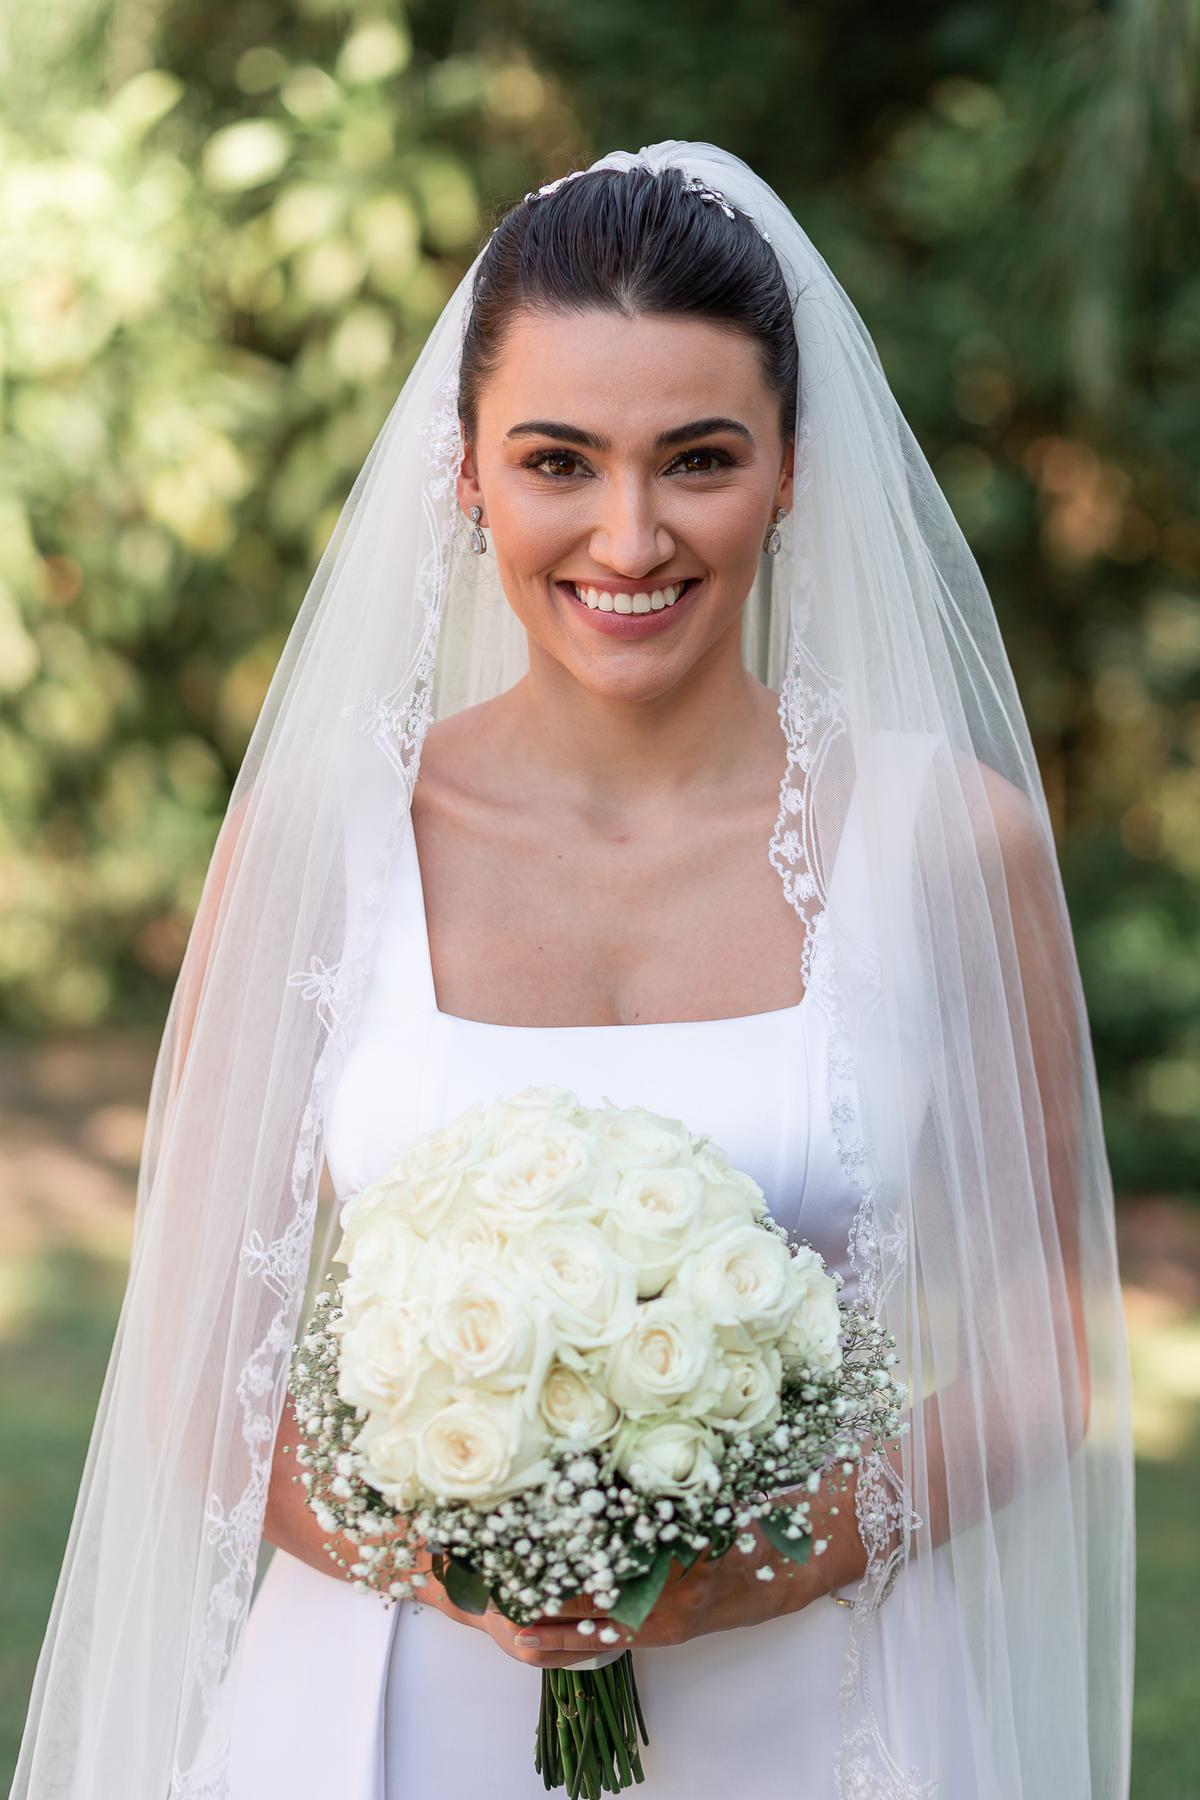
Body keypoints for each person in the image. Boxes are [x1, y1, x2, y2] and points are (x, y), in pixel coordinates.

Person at [14, 144, 1133, 1800]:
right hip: (390, 1709)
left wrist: (755, 1568)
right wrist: (482, 1569)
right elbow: (197, 1369)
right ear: (466, 473)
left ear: (789, 470)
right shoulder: (324, 835)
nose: (629, 535)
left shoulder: (947, 843)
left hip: (819, 1714)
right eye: (559, 460)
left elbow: (1048, 1349)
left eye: (697, 459)